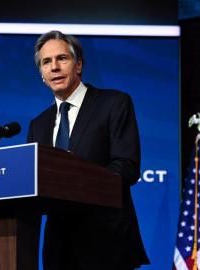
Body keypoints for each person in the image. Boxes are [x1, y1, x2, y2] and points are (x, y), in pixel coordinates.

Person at [27, 31, 150, 270]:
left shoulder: (114, 103)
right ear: (41, 75)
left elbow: (127, 166)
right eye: (46, 62)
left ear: (79, 64)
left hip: (106, 241)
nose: (54, 67)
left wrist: (75, 179)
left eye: (62, 58)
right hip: (59, 248)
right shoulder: (38, 125)